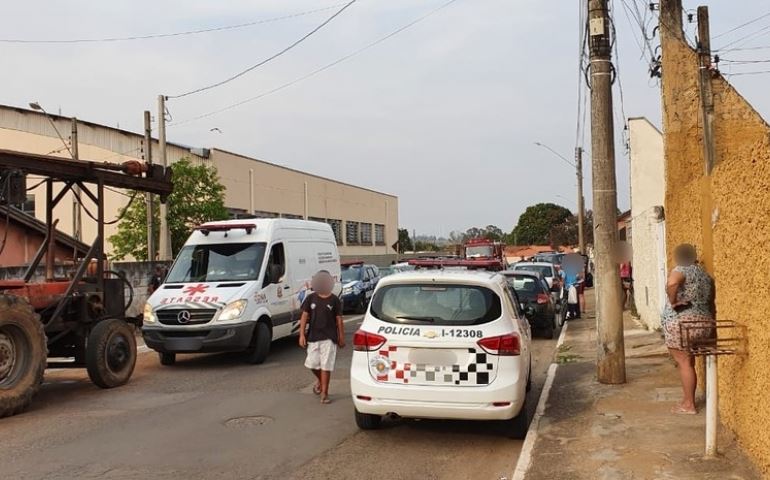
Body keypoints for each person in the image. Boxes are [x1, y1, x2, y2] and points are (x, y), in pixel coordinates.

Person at [661, 244, 716, 415]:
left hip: (682, 323)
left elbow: (672, 283)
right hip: (704, 323)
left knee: (684, 362)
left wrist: (673, 301)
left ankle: (688, 404)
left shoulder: (681, 270)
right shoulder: (704, 275)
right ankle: (687, 401)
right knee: (689, 362)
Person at [299, 270, 345, 405]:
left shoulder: (334, 300)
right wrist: (301, 334)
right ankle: (320, 380)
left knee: (326, 365)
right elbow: (304, 316)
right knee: (312, 364)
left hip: (329, 337)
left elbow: (339, 319)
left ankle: (324, 393)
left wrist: (341, 336)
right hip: (313, 337)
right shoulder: (311, 298)